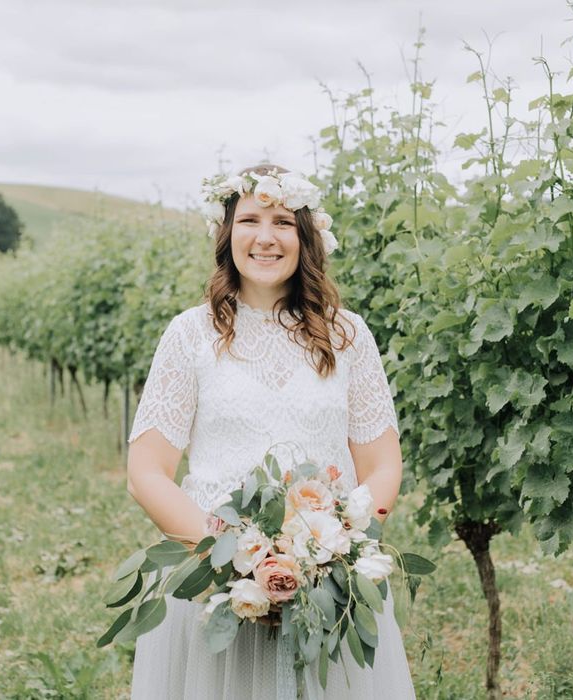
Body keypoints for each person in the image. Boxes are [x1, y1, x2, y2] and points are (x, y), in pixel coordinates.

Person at [125, 163, 417, 699]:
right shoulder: (191, 334)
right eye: (249, 220)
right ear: (227, 233)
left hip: (326, 585)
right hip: (212, 582)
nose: (265, 237)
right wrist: (232, 556)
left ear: (305, 237)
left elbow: (383, 466)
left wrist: (330, 552)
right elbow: (147, 473)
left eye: (282, 221)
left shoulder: (348, 335)